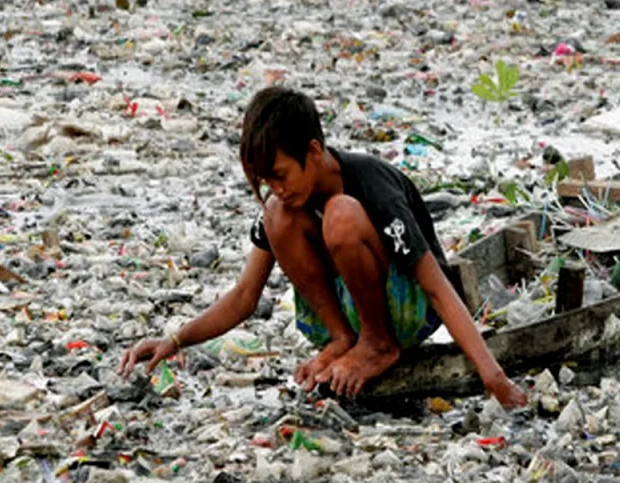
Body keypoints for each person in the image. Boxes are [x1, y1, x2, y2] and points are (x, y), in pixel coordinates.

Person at [119, 86, 528, 408]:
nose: (276, 188)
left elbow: (438, 286)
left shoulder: (371, 184)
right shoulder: (285, 203)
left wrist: (495, 379)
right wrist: (174, 341)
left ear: (313, 151)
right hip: (348, 314)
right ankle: (342, 338)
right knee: (275, 216)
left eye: (280, 175)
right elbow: (245, 296)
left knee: (341, 215)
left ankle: (376, 344)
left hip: (406, 312)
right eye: (266, 182)